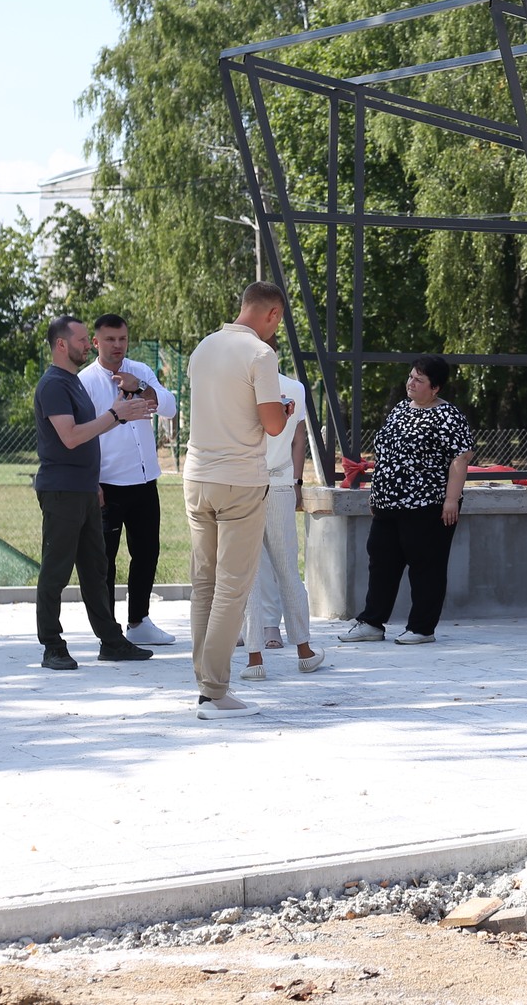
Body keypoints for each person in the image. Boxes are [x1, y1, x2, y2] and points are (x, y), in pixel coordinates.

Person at [183, 281, 293, 718]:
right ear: (272, 315)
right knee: (233, 587)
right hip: (240, 481)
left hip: (196, 478)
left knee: (204, 585)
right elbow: (271, 425)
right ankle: (214, 691)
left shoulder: (204, 347)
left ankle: (204, 682)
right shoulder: (261, 355)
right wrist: (283, 411)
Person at [34, 315, 157, 670]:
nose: (89, 345)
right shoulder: (54, 385)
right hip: (62, 492)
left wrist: (95, 484)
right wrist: (116, 415)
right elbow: (71, 437)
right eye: (83, 340)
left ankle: (112, 641)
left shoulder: (71, 382)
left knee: (95, 568)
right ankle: (52, 646)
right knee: (56, 571)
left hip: (85, 491)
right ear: (61, 344)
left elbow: (87, 434)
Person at [336, 356, 474, 646]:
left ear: (435, 388)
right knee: (381, 560)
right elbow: (385, 456)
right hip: (389, 503)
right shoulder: (400, 410)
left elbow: (460, 459)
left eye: (419, 380)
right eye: (411, 377)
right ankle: (372, 622)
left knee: (426, 565)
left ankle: (422, 628)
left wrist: (451, 499)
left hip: (428, 503)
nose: (411, 383)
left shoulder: (448, 416)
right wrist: (377, 494)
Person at [80, 313, 179, 646]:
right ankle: (108, 630)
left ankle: (139, 621)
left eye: (122, 339)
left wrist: (140, 387)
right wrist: (90, 481)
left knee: (147, 552)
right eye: (109, 339)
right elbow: (82, 436)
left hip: (144, 479)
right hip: (107, 483)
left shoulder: (141, 371)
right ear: (96, 342)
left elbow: (169, 407)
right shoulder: (85, 382)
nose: (117, 345)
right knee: (104, 560)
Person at [242, 369, 323, 679]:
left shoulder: (238, 384)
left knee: (249, 570)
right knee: (288, 568)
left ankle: (254, 658)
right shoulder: (294, 388)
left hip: (245, 482)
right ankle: (304, 650)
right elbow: (297, 437)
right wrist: (297, 480)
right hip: (279, 481)